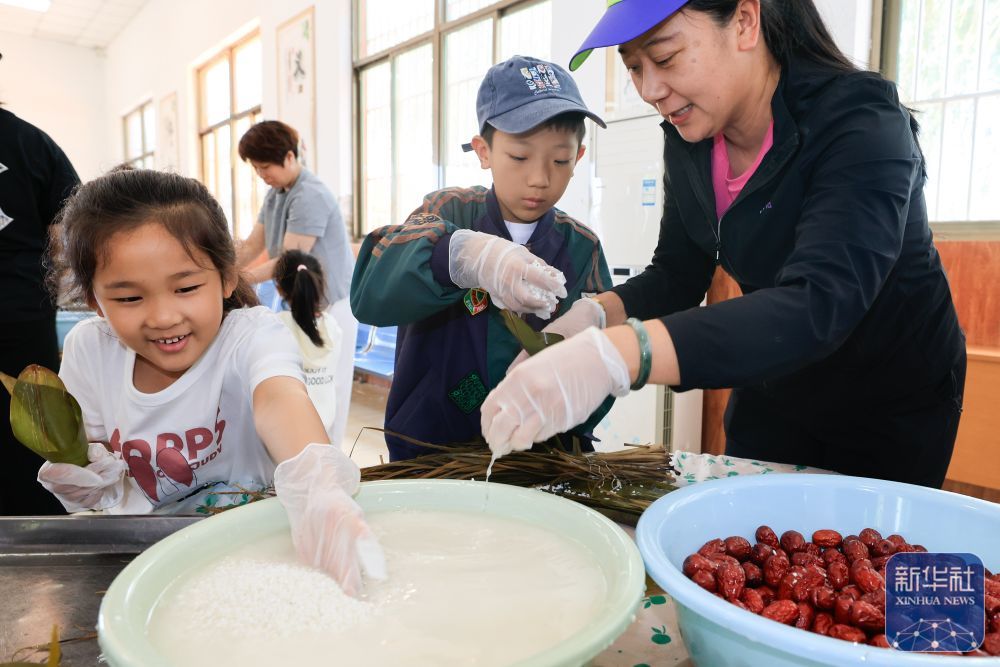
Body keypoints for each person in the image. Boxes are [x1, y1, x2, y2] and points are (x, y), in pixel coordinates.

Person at [481, 0, 966, 489]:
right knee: (744, 542)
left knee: (861, 553)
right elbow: (678, 272)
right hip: (775, 380)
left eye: (666, 58)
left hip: (885, 402)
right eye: (634, 67)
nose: (651, 90)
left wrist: (620, 356)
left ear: (745, 22)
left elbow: (819, 304)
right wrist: (594, 316)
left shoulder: (859, 120)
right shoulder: (689, 135)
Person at [39, 167, 383, 594]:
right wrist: (85, 478)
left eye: (185, 288)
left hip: (258, 556)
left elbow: (280, 399)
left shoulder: (250, 335)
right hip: (149, 568)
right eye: (129, 298)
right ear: (94, 301)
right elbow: (89, 453)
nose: (164, 317)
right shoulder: (90, 350)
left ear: (226, 277)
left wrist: (318, 485)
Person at [351, 55, 614, 461]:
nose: (540, 178)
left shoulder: (581, 247)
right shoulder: (446, 211)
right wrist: (456, 255)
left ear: (578, 158)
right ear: (483, 150)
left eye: (560, 160)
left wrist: (573, 391)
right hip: (432, 450)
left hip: (539, 458)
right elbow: (371, 293)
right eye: (520, 157)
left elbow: (605, 364)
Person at [236, 121, 357, 449]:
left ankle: (331, 460)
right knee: (304, 387)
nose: (262, 175)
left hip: (334, 305)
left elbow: (287, 259)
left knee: (329, 389)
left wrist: (237, 281)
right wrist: (222, 273)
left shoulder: (310, 195)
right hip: (303, 302)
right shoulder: (275, 194)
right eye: (256, 169)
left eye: (265, 167)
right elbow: (250, 246)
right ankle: (308, 453)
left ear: (289, 157)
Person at [0, 80, 81, 515]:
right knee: (34, 430)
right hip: (22, 309)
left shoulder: (34, 143)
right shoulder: (32, 143)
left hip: (22, 312)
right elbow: (64, 238)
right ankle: (36, 523)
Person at [273, 248, 343, 445]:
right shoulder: (333, 328)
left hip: (288, 430)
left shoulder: (276, 327)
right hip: (324, 424)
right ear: (320, 284)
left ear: (279, 288)